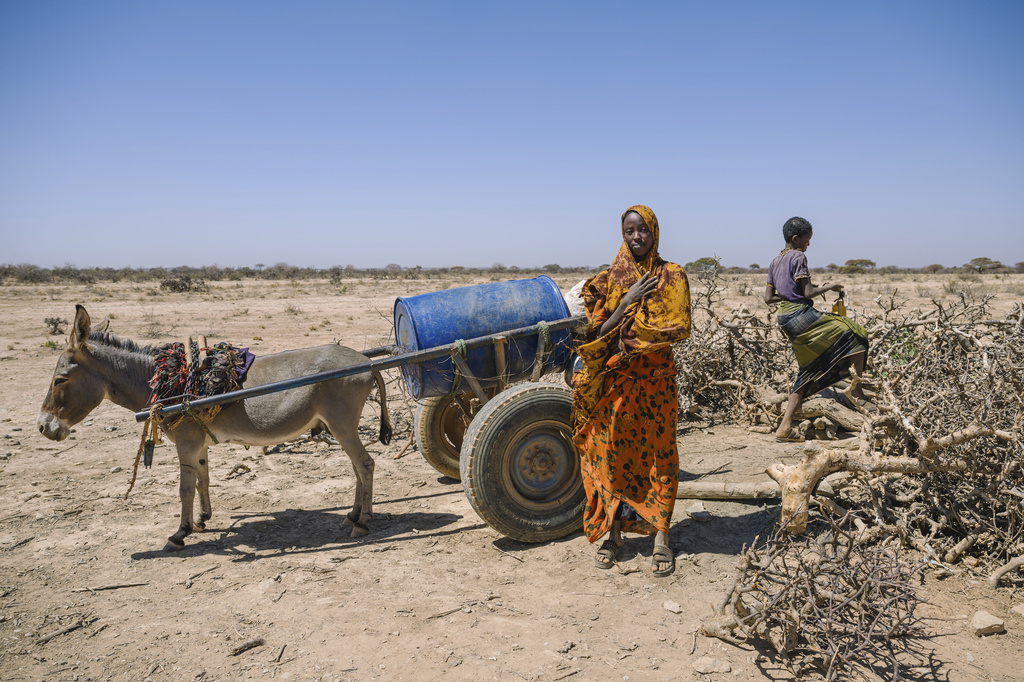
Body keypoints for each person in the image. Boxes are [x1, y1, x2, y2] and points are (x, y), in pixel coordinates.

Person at [571, 205, 691, 577]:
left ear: (654, 231)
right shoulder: (608, 281)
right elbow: (597, 332)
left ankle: (661, 537)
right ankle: (616, 533)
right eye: (629, 231)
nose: (636, 237)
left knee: (660, 455)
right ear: (622, 234)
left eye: (642, 230)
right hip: (617, 382)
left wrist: (630, 331)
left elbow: (678, 325)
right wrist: (626, 301)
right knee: (615, 456)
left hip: (657, 384)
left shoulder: (672, 275)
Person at [764, 216, 871, 442]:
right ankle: (857, 390)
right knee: (856, 333)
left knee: (807, 368)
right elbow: (808, 294)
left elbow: (768, 298)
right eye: (807, 239)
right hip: (800, 315)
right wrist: (830, 286)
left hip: (785, 316)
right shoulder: (798, 256)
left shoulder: (775, 261)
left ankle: (784, 427)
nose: (808, 244)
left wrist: (788, 295)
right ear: (796, 239)